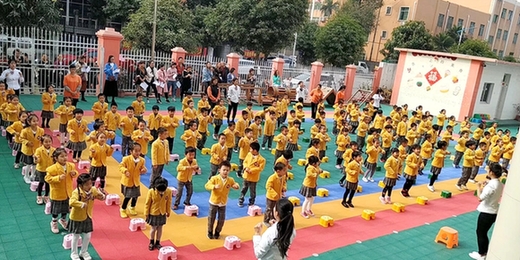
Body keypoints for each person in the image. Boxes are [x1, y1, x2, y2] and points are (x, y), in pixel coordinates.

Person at [468, 163, 504, 260]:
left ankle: (481, 254)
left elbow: (480, 198)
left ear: (491, 172)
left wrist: (478, 187)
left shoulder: (491, 185)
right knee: (484, 233)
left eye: (488, 170)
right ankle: (484, 252)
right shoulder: (499, 184)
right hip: (494, 211)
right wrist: (487, 183)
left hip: (487, 213)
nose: (487, 171)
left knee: (481, 233)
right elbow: (493, 188)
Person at [68, 173, 105, 260]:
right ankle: (74, 253)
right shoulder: (76, 192)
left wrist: (102, 195)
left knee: (88, 236)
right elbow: (71, 202)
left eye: (90, 184)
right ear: (80, 185)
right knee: (76, 236)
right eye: (87, 184)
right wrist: (81, 204)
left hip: (88, 216)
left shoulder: (93, 190)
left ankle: (83, 251)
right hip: (77, 217)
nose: (89, 186)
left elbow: (101, 197)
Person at [45, 148, 78, 234]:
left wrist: (74, 174)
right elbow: (47, 179)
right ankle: (54, 222)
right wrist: (58, 178)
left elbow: (75, 173)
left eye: (65, 156)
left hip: (68, 192)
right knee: (55, 210)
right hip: (57, 194)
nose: (64, 158)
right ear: (56, 158)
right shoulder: (51, 169)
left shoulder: (71, 165)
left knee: (66, 209)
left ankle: (63, 220)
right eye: (61, 156)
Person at [205, 161, 240, 239]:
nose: (225, 172)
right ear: (219, 170)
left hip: (223, 203)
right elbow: (207, 185)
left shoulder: (230, 180)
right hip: (214, 202)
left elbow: (235, 184)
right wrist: (214, 186)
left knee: (221, 219)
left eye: (227, 170)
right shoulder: (214, 178)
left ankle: (217, 231)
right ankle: (210, 231)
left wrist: (236, 186)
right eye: (224, 170)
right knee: (211, 218)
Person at [119, 142, 147, 218]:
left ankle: (132, 207)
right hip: (128, 181)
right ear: (131, 151)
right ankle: (123, 209)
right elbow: (121, 166)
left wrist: (144, 170)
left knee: (136, 196)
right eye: (136, 151)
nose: (138, 152)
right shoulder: (126, 159)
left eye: (139, 150)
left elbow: (142, 168)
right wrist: (125, 171)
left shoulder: (142, 160)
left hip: (136, 181)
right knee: (127, 197)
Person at [144, 177, 172, 251]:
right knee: (153, 228)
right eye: (160, 191)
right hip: (153, 213)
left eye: (163, 191)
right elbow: (147, 204)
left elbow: (169, 202)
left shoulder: (168, 191)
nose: (161, 192)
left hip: (162, 213)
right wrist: (146, 214)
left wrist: (168, 211)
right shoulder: (151, 192)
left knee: (160, 228)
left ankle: (158, 242)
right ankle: (151, 242)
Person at [33, 134, 55, 205]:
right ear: (42, 143)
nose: (48, 143)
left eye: (49, 141)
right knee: (41, 183)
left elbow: (55, 159)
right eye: (46, 142)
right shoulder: (39, 150)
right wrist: (36, 159)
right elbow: (37, 160)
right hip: (41, 170)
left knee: (48, 183)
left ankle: (46, 196)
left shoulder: (54, 150)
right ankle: (39, 196)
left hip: (49, 170)